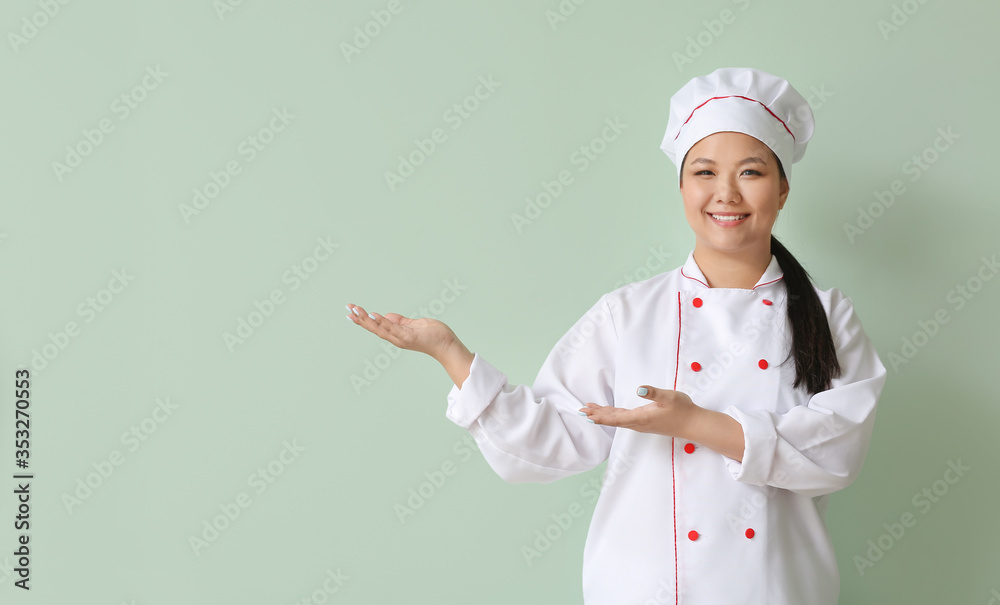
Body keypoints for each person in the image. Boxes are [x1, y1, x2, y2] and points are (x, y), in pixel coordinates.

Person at [346, 67, 888, 605]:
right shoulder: (627, 314)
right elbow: (550, 439)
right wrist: (451, 354)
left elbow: (835, 453)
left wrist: (693, 422)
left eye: (750, 172)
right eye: (703, 172)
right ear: (681, 185)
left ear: (783, 189)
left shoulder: (827, 315)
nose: (725, 193)